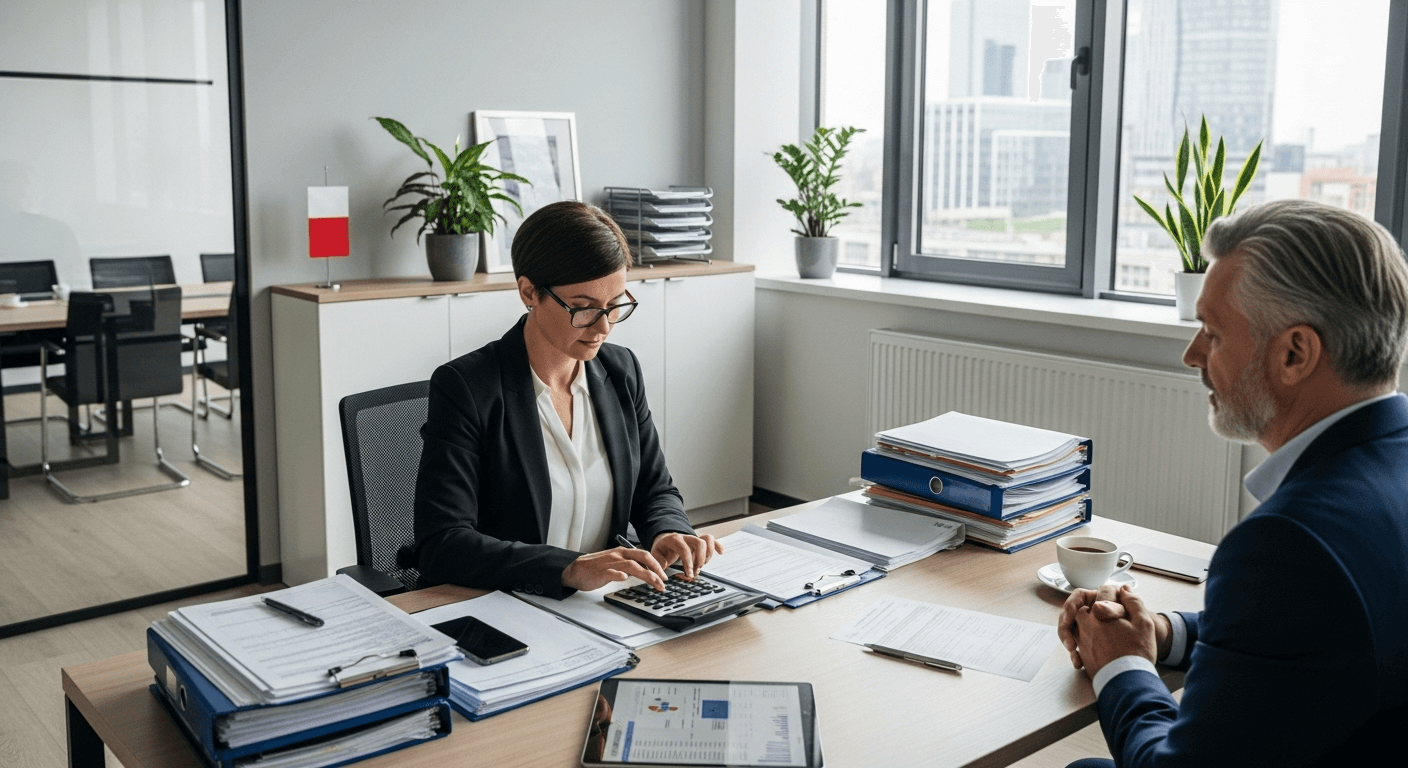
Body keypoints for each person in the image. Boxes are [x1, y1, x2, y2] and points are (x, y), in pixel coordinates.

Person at [1057, 199, 1408, 767]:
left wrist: (1121, 665)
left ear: (1295, 352)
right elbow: (1305, 631)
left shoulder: (1289, 543)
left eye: (1213, 332)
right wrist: (1166, 633)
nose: (1192, 354)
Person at [413, 200, 722, 599]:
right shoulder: (467, 388)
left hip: (603, 602)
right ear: (528, 292)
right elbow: (443, 542)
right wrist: (568, 569)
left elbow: (654, 488)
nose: (604, 326)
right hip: (508, 603)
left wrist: (670, 530)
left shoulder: (620, 370)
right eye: (583, 308)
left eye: (615, 305)